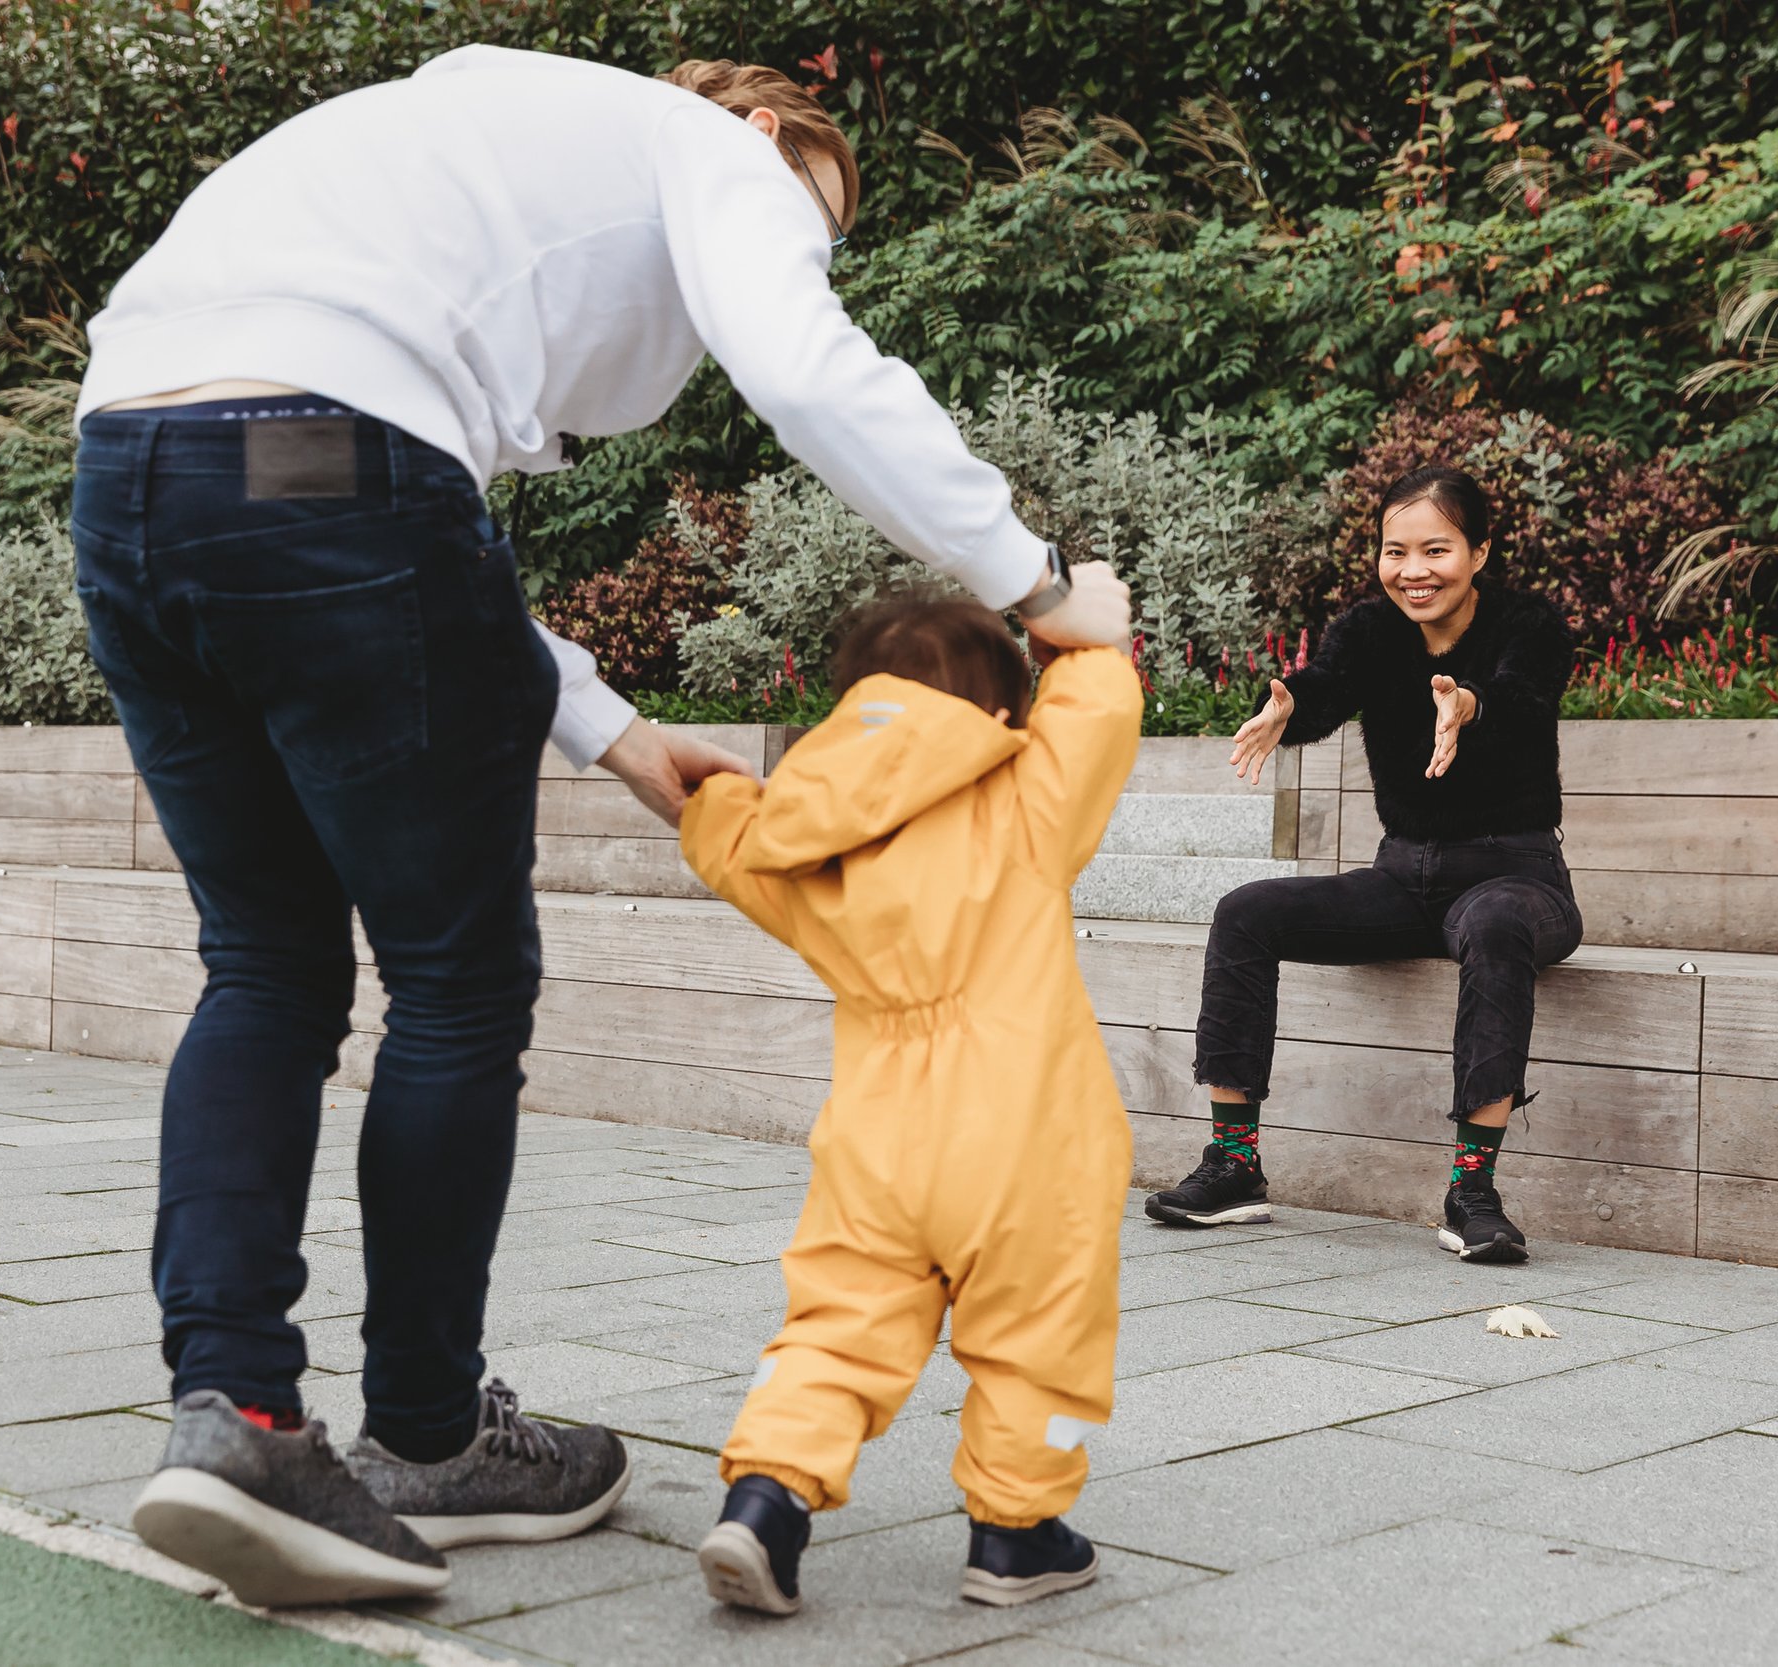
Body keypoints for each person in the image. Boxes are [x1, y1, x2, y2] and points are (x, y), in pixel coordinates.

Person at [70, 47, 1131, 1606]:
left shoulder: (459, 131)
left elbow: (396, 513)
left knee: (269, 970)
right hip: (331, 460)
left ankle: (233, 1414)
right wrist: (1038, 585)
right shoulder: (701, 150)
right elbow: (803, 370)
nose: (787, 254)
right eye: (812, 220)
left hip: (130, 468)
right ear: (766, 134)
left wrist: (612, 731)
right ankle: (430, 1436)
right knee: (452, 984)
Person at [676, 598, 1142, 1616]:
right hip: (1028, 1134)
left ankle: (765, 1499)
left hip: (876, 1142)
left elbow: (723, 834)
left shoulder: (809, 835)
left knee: (838, 1325)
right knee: (1037, 1332)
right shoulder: (1024, 801)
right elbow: (1098, 708)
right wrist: (1074, 622)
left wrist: (702, 786)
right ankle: (1016, 1533)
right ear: (997, 714)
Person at [1143, 465, 1581, 1263]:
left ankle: (1472, 1190)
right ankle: (1235, 1165)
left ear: (1480, 551)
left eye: (1437, 550)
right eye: (1395, 551)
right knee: (1246, 911)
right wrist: (1288, 707)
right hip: (1402, 877)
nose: (1413, 571)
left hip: (1516, 877)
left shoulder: (1531, 624)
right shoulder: (1371, 631)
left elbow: (1523, 696)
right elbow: (1325, 688)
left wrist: (1469, 703)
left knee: (1492, 921)